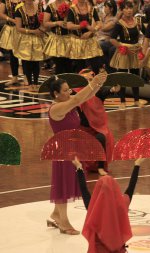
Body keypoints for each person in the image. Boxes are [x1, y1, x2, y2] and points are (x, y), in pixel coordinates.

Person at [47, 71, 107, 235]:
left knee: (67, 181)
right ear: (56, 94)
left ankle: (55, 215)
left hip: (73, 148)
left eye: (69, 89)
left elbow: (85, 97)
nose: (69, 92)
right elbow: (78, 98)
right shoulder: (57, 108)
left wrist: (98, 84)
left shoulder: (69, 104)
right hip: (62, 150)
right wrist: (92, 83)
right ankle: (63, 222)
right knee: (62, 184)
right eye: (65, 90)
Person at [72, 156, 145, 252]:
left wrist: (79, 167)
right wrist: (137, 165)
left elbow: (84, 189)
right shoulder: (122, 205)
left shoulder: (93, 208)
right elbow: (131, 187)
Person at [110, 1, 145, 107]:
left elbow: (146, 33)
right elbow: (112, 39)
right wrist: (121, 47)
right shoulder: (119, 24)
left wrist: (142, 46)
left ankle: (136, 100)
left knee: (135, 75)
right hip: (124, 51)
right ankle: (122, 101)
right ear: (122, 10)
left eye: (130, 8)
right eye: (126, 8)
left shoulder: (137, 21)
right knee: (123, 76)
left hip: (135, 50)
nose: (129, 10)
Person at [13, 0, 46, 90]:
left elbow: (44, 22)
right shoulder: (19, 11)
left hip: (38, 38)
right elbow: (18, 28)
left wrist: (41, 30)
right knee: (27, 62)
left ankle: (35, 83)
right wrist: (32, 31)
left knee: (36, 61)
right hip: (25, 39)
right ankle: (30, 83)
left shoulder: (40, 8)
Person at [66, 0, 104, 74]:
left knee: (95, 65)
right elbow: (69, 25)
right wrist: (80, 26)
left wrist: (91, 30)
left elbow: (99, 24)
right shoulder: (72, 9)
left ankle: (95, 83)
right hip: (77, 42)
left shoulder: (92, 9)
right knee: (80, 67)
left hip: (90, 41)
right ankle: (82, 84)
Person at [43, 0, 72, 74]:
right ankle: (60, 83)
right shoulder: (50, 6)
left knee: (69, 65)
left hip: (69, 39)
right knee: (59, 64)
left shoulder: (70, 5)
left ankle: (69, 82)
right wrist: (57, 23)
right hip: (56, 39)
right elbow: (45, 23)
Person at [0, 0, 21, 86]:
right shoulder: (6, 0)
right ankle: (14, 77)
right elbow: (1, 13)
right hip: (11, 29)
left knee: (25, 54)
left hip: (23, 30)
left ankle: (27, 77)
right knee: (12, 54)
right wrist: (11, 19)